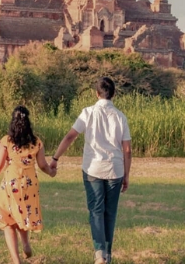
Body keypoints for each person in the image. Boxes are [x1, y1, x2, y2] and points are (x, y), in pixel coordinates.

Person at [50, 77, 132, 264]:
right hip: (115, 170)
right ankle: (108, 255)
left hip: (93, 168)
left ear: (96, 93)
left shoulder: (88, 113)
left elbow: (71, 136)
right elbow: (127, 149)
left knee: (96, 211)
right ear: (114, 94)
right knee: (110, 213)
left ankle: (99, 254)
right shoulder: (120, 116)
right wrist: (126, 174)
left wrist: (55, 158)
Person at [0, 105, 56, 264]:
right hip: (30, 185)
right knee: (23, 214)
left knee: (7, 220)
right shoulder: (36, 142)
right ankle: (25, 243)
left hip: (11, 184)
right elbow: (43, 165)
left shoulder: (7, 141)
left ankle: (16, 261)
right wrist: (52, 172)